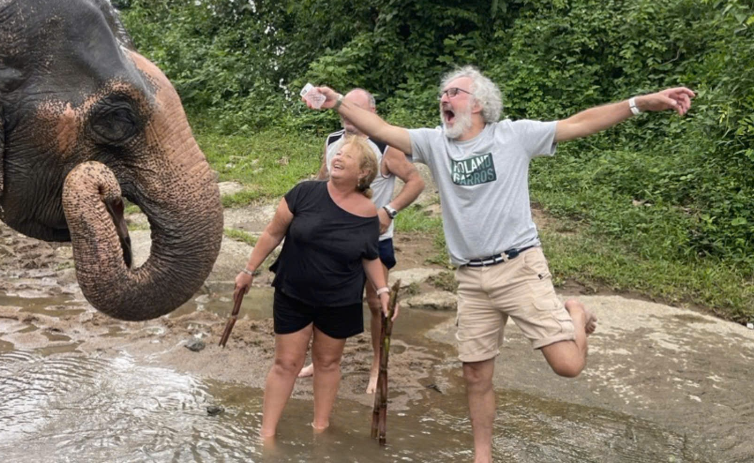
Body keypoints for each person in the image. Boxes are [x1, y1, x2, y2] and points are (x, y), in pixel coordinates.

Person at [306, 67, 694, 463]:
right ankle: (483, 457)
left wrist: (638, 104)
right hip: (471, 278)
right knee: (475, 374)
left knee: (569, 365)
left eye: (454, 92)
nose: (444, 99)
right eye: (442, 93)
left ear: (479, 104)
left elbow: (579, 123)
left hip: (519, 266)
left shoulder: (513, 135)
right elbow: (383, 129)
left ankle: (575, 313)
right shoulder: (435, 143)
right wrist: (338, 102)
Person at [235, 137, 395, 439]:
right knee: (287, 363)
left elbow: (370, 256)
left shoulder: (368, 212)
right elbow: (272, 233)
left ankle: (320, 428)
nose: (338, 157)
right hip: (294, 292)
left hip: (340, 299)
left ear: (362, 173)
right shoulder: (305, 193)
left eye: (348, 157)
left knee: (327, 362)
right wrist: (248, 270)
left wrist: (383, 291)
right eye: (339, 152)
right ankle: (266, 435)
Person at [297, 88, 424, 393]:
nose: (347, 113)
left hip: (373, 240)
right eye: (344, 108)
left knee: (376, 304)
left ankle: (378, 366)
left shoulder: (385, 144)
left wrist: (388, 211)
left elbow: (416, 181)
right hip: (333, 240)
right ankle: (321, 359)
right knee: (325, 299)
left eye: (355, 108)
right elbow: (322, 182)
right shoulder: (332, 142)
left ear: (371, 109)